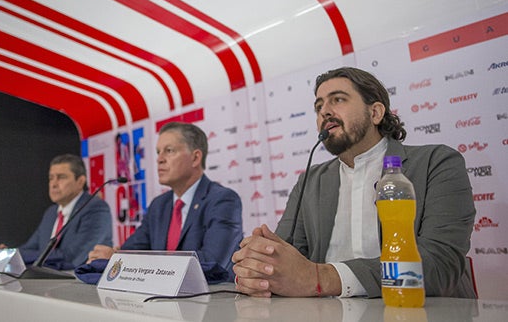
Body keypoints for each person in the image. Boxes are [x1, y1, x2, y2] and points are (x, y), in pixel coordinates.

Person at [232, 67, 476, 298]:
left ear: (376, 112)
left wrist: (321, 278)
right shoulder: (311, 180)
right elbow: (286, 258)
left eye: (337, 100)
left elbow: (440, 265)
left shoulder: (436, 162)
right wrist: (260, 270)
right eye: (319, 106)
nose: (324, 111)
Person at [87, 122, 243, 275]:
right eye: (158, 152)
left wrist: (125, 260)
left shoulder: (223, 200)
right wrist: (114, 256)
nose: (159, 159)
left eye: (169, 151)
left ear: (195, 158)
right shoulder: (159, 205)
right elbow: (132, 249)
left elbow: (211, 263)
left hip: (210, 297)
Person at [0, 154, 112, 268]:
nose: (54, 184)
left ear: (80, 181)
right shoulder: (51, 212)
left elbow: (73, 257)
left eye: (61, 177)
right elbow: (31, 248)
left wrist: (15, 256)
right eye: (51, 178)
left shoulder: (96, 208)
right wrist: (3, 253)